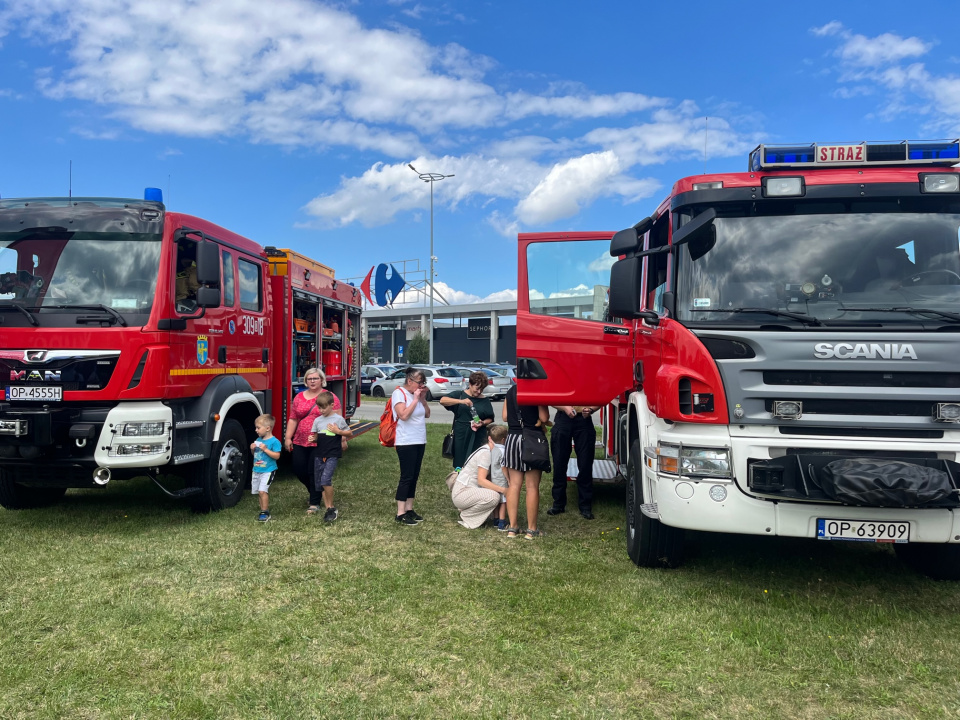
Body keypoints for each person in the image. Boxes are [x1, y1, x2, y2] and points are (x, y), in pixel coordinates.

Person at [284, 368, 341, 512]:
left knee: (314, 471)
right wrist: (288, 437)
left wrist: (341, 439)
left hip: (321, 441)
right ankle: (314, 491)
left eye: (315, 378)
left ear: (322, 380)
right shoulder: (299, 397)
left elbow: (337, 420)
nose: (312, 381)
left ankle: (314, 503)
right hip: (300, 440)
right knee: (298, 469)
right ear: (305, 381)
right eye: (309, 379)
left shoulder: (330, 397)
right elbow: (293, 418)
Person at [502, 383, 550, 539]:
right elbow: (544, 417)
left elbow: (504, 416)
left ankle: (513, 528)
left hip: (513, 438)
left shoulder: (511, 390)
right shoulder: (538, 389)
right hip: (532, 440)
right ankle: (531, 530)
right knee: (532, 486)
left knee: (514, 485)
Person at [451, 425, 510, 529]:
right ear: (504, 440)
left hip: (469, 491)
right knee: (494, 497)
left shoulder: (491, 452)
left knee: (493, 497)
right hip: (462, 492)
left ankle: (477, 513)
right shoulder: (486, 453)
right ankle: (466, 515)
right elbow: (481, 480)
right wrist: (503, 490)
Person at [307, 391, 353, 522]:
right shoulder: (317, 420)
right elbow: (317, 437)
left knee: (325, 480)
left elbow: (349, 432)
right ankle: (328, 508)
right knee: (320, 483)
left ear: (332, 405)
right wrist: (313, 439)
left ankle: (332, 507)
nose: (321, 410)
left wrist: (338, 432)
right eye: (319, 407)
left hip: (332, 454)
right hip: (319, 454)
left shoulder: (338, 419)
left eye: (323, 407)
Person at [392, 367, 430, 526]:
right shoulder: (399, 393)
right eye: (420, 383)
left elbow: (427, 414)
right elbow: (404, 415)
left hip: (419, 439)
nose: (421, 386)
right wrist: (414, 400)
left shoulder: (418, 395)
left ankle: (409, 508)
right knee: (406, 476)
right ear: (410, 381)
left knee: (414, 476)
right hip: (405, 441)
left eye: (423, 383)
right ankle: (400, 512)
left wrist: (422, 398)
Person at [547, 405, 598, 520]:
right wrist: (565, 407)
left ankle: (585, 505)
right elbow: (553, 396)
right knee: (559, 462)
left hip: (584, 420)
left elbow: (601, 395)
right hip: (563, 418)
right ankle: (558, 503)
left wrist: (591, 410)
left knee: (585, 464)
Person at [439, 370, 495, 469]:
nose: (479, 392)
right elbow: (442, 400)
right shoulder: (460, 395)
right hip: (461, 434)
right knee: (460, 462)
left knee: (477, 462)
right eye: (477, 388)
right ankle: (459, 480)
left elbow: (490, 418)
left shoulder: (485, 400)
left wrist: (482, 423)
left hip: (478, 435)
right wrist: (461, 401)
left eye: (482, 389)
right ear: (470, 384)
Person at [249, 414, 281, 523]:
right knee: (259, 491)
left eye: (258, 428)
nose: (256, 430)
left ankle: (265, 511)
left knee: (263, 490)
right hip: (257, 469)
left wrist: (266, 449)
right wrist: (252, 449)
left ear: (267, 428)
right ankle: (262, 509)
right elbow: (256, 455)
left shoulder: (274, 442)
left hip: (268, 470)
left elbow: (277, 456)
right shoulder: (258, 440)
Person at [488, 424, 510, 531]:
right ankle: (502, 522)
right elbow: (504, 467)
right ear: (503, 440)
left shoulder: (493, 450)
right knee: (503, 501)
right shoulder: (503, 451)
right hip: (501, 479)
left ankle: (496, 520)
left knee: (497, 500)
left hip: (494, 479)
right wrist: (509, 479)